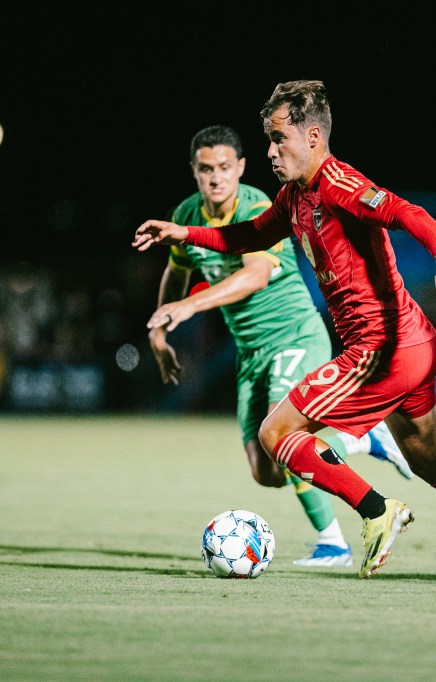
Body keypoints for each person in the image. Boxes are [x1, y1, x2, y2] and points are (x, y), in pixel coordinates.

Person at [134, 81, 436, 579]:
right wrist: (184, 232)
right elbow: (249, 235)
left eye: (278, 139)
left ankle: (377, 510)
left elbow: (406, 212)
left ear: (313, 136)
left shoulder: (339, 184)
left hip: (383, 349)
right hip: (412, 345)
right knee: (433, 464)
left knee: (277, 432)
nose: (270, 151)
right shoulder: (294, 196)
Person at [146, 124, 412, 568]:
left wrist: (189, 308)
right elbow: (175, 270)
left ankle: (334, 543)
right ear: (194, 171)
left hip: (293, 335)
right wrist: (159, 329)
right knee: (264, 471)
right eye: (206, 169)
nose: (216, 178)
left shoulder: (254, 203)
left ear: (241, 168)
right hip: (251, 353)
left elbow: (255, 274)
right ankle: (362, 439)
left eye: (225, 168)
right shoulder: (188, 212)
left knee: (284, 438)